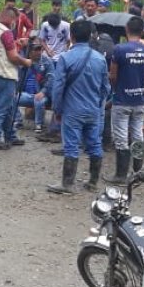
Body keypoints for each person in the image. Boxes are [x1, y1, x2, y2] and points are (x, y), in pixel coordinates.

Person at [48, 20, 112, 194]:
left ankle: (67, 184)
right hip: (93, 110)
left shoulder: (66, 58)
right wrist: (98, 105)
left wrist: (57, 110)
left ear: (72, 36)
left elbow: (58, 87)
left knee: (71, 146)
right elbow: (106, 87)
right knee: (94, 144)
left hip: (72, 110)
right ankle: (93, 182)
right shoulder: (100, 59)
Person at [106, 17, 144, 184]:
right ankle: (138, 172)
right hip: (140, 99)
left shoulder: (119, 49)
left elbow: (113, 75)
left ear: (126, 30)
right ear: (142, 32)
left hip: (122, 98)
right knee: (137, 134)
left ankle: (120, 174)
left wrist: (116, 88)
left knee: (121, 137)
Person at [0, 7, 31, 150]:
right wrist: (25, 62)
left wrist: (16, 44)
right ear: (11, 18)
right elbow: (13, 57)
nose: (16, 23)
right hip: (4, 73)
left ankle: (10, 135)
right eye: (16, 20)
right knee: (1, 106)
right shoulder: (6, 33)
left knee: (9, 106)